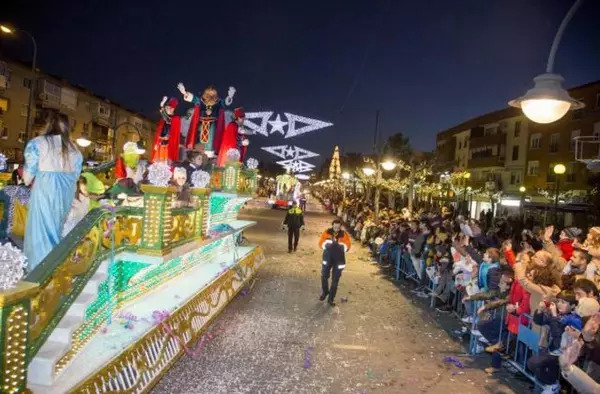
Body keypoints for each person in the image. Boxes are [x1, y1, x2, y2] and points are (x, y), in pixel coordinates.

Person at [23, 110, 83, 271]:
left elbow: (27, 178)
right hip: (65, 192)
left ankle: (40, 273)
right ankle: (55, 269)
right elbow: (76, 176)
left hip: (45, 190)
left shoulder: (37, 143)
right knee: (57, 228)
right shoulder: (74, 149)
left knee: (41, 232)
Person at [318, 219, 351, 306]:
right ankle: (325, 292)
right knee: (324, 276)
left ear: (340, 227)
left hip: (339, 260)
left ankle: (331, 299)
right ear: (332, 225)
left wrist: (341, 247)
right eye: (335, 227)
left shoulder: (344, 234)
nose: (336, 228)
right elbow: (320, 243)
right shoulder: (327, 232)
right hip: (327, 258)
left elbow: (348, 246)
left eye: (338, 227)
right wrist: (326, 244)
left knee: (335, 280)